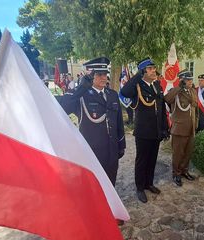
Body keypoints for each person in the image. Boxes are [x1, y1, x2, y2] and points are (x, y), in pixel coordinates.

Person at [58, 57, 126, 186]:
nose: (103, 77)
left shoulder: (112, 94)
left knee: (111, 183)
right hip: (93, 152)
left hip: (111, 149)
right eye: (99, 74)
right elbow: (63, 108)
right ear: (89, 76)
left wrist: (121, 144)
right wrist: (80, 89)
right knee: (94, 185)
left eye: (105, 74)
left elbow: (118, 122)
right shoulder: (81, 95)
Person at [120, 57, 169, 203]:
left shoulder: (157, 85)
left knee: (152, 159)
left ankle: (149, 183)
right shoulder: (137, 86)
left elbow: (161, 109)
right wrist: (137, 76)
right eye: (150, 69)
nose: (154, 71)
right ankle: (140, 187)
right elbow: (124, 92)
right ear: (143, 71)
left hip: (156, 131)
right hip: (143, 131)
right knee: (142, 160)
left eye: (154, 68)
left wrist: (165, 128)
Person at [164, 70, 198, 187]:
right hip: (179, 128)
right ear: (182, 80)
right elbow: (167, 99)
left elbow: (195, 109)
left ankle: (184, 171)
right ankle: (176, 173)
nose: (190, 81)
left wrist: (196, 124)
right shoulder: (175, 92)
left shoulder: (193, 91)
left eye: (190, 79)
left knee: (188, 152)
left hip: (191, 128)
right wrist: (179, 87)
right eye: (188, 80)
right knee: (178, 153)